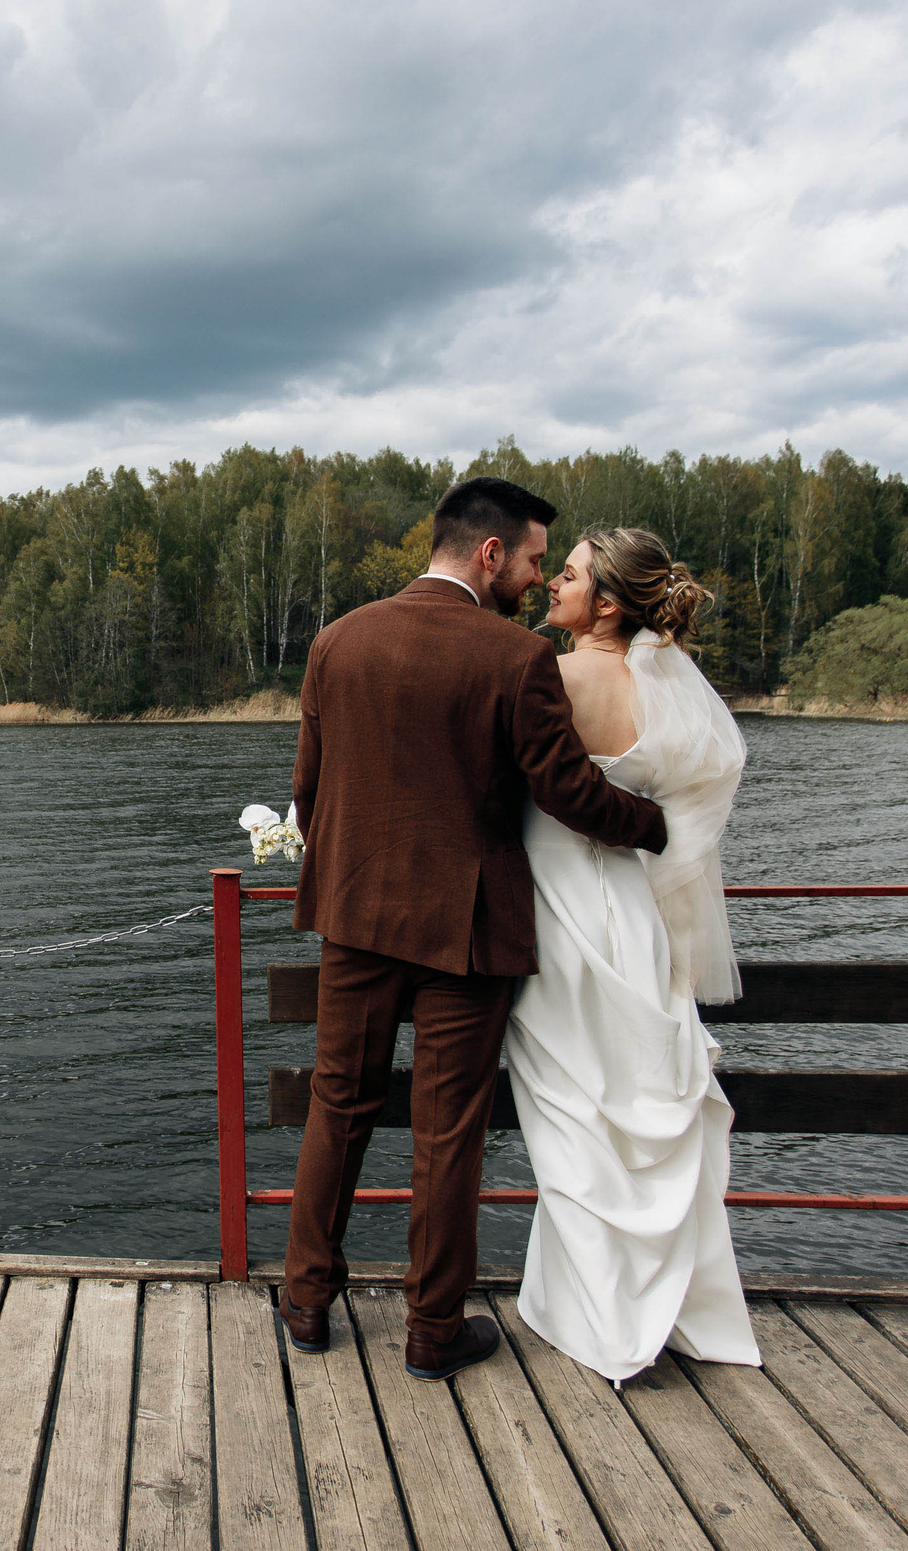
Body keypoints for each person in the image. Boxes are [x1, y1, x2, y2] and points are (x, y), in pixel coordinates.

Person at [282, 478, 668, 1381]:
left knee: (337, 1108)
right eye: (536, 559)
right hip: (464, 934)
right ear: (489, 553)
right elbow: (568, 794)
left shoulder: (338, 642)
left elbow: (310, 792)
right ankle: (431, 1330)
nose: (538, 579)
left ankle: (305, 1304)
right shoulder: (514, 657)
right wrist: (656, 825)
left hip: (357, 920)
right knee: (445, 1133)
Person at [506, 528, 759, 1381]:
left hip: (558, 915)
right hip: (635, 918)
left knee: (574, 1117)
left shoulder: (553, 674)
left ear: (606, 603)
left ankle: (604, 1317)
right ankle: (672, 1305)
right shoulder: (668, 693)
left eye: (568, 575)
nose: (554, 585)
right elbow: (684, 808)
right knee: (633, 1108)